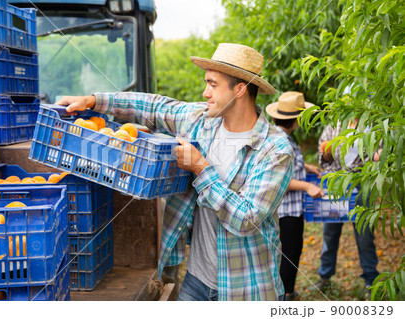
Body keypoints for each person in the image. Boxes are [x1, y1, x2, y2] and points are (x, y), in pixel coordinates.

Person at [56, 43, 294, 301]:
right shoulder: (201, 121)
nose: (205, 93)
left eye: (213, 85)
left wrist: (200, 168)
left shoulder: (274, 150)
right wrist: (94, 100)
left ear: (239, 90)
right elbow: (155, 106)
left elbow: (246, 219)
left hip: (246, 289)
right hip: (196, 281)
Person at [307, 118, 379, 300]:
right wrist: (326, 152)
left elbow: (379, 153)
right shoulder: (333, 126)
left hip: (362, 184)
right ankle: (325, 276)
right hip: (337, 183)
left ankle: (371, 280)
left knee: (365, 235)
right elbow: (323, 155)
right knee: (330, 232)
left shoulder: (371, 125)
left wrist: (378, 156)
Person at [266, 92, 325, 301]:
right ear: (297, 119)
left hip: (289, 208)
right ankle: (285, 297)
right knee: (289, 254)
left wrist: (306, 167)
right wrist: (308, 186)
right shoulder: (283, 142)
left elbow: (288, 166)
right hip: (287, 210)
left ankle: (286, 291)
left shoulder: (281, 138)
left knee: (291, 251)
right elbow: (279, 179)